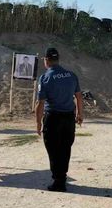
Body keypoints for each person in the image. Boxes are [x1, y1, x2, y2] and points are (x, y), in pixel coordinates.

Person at [35, 47, 84, 192]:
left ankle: (59, 180)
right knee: (65, 148)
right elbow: (79, 96)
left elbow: (40, 103)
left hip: (53, 118)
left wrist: (38, 123)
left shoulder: (45, 78)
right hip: (69, 117)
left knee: (53, 149)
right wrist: (80, 114)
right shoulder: (71, 75)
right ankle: (61, 176)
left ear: (46, 60)